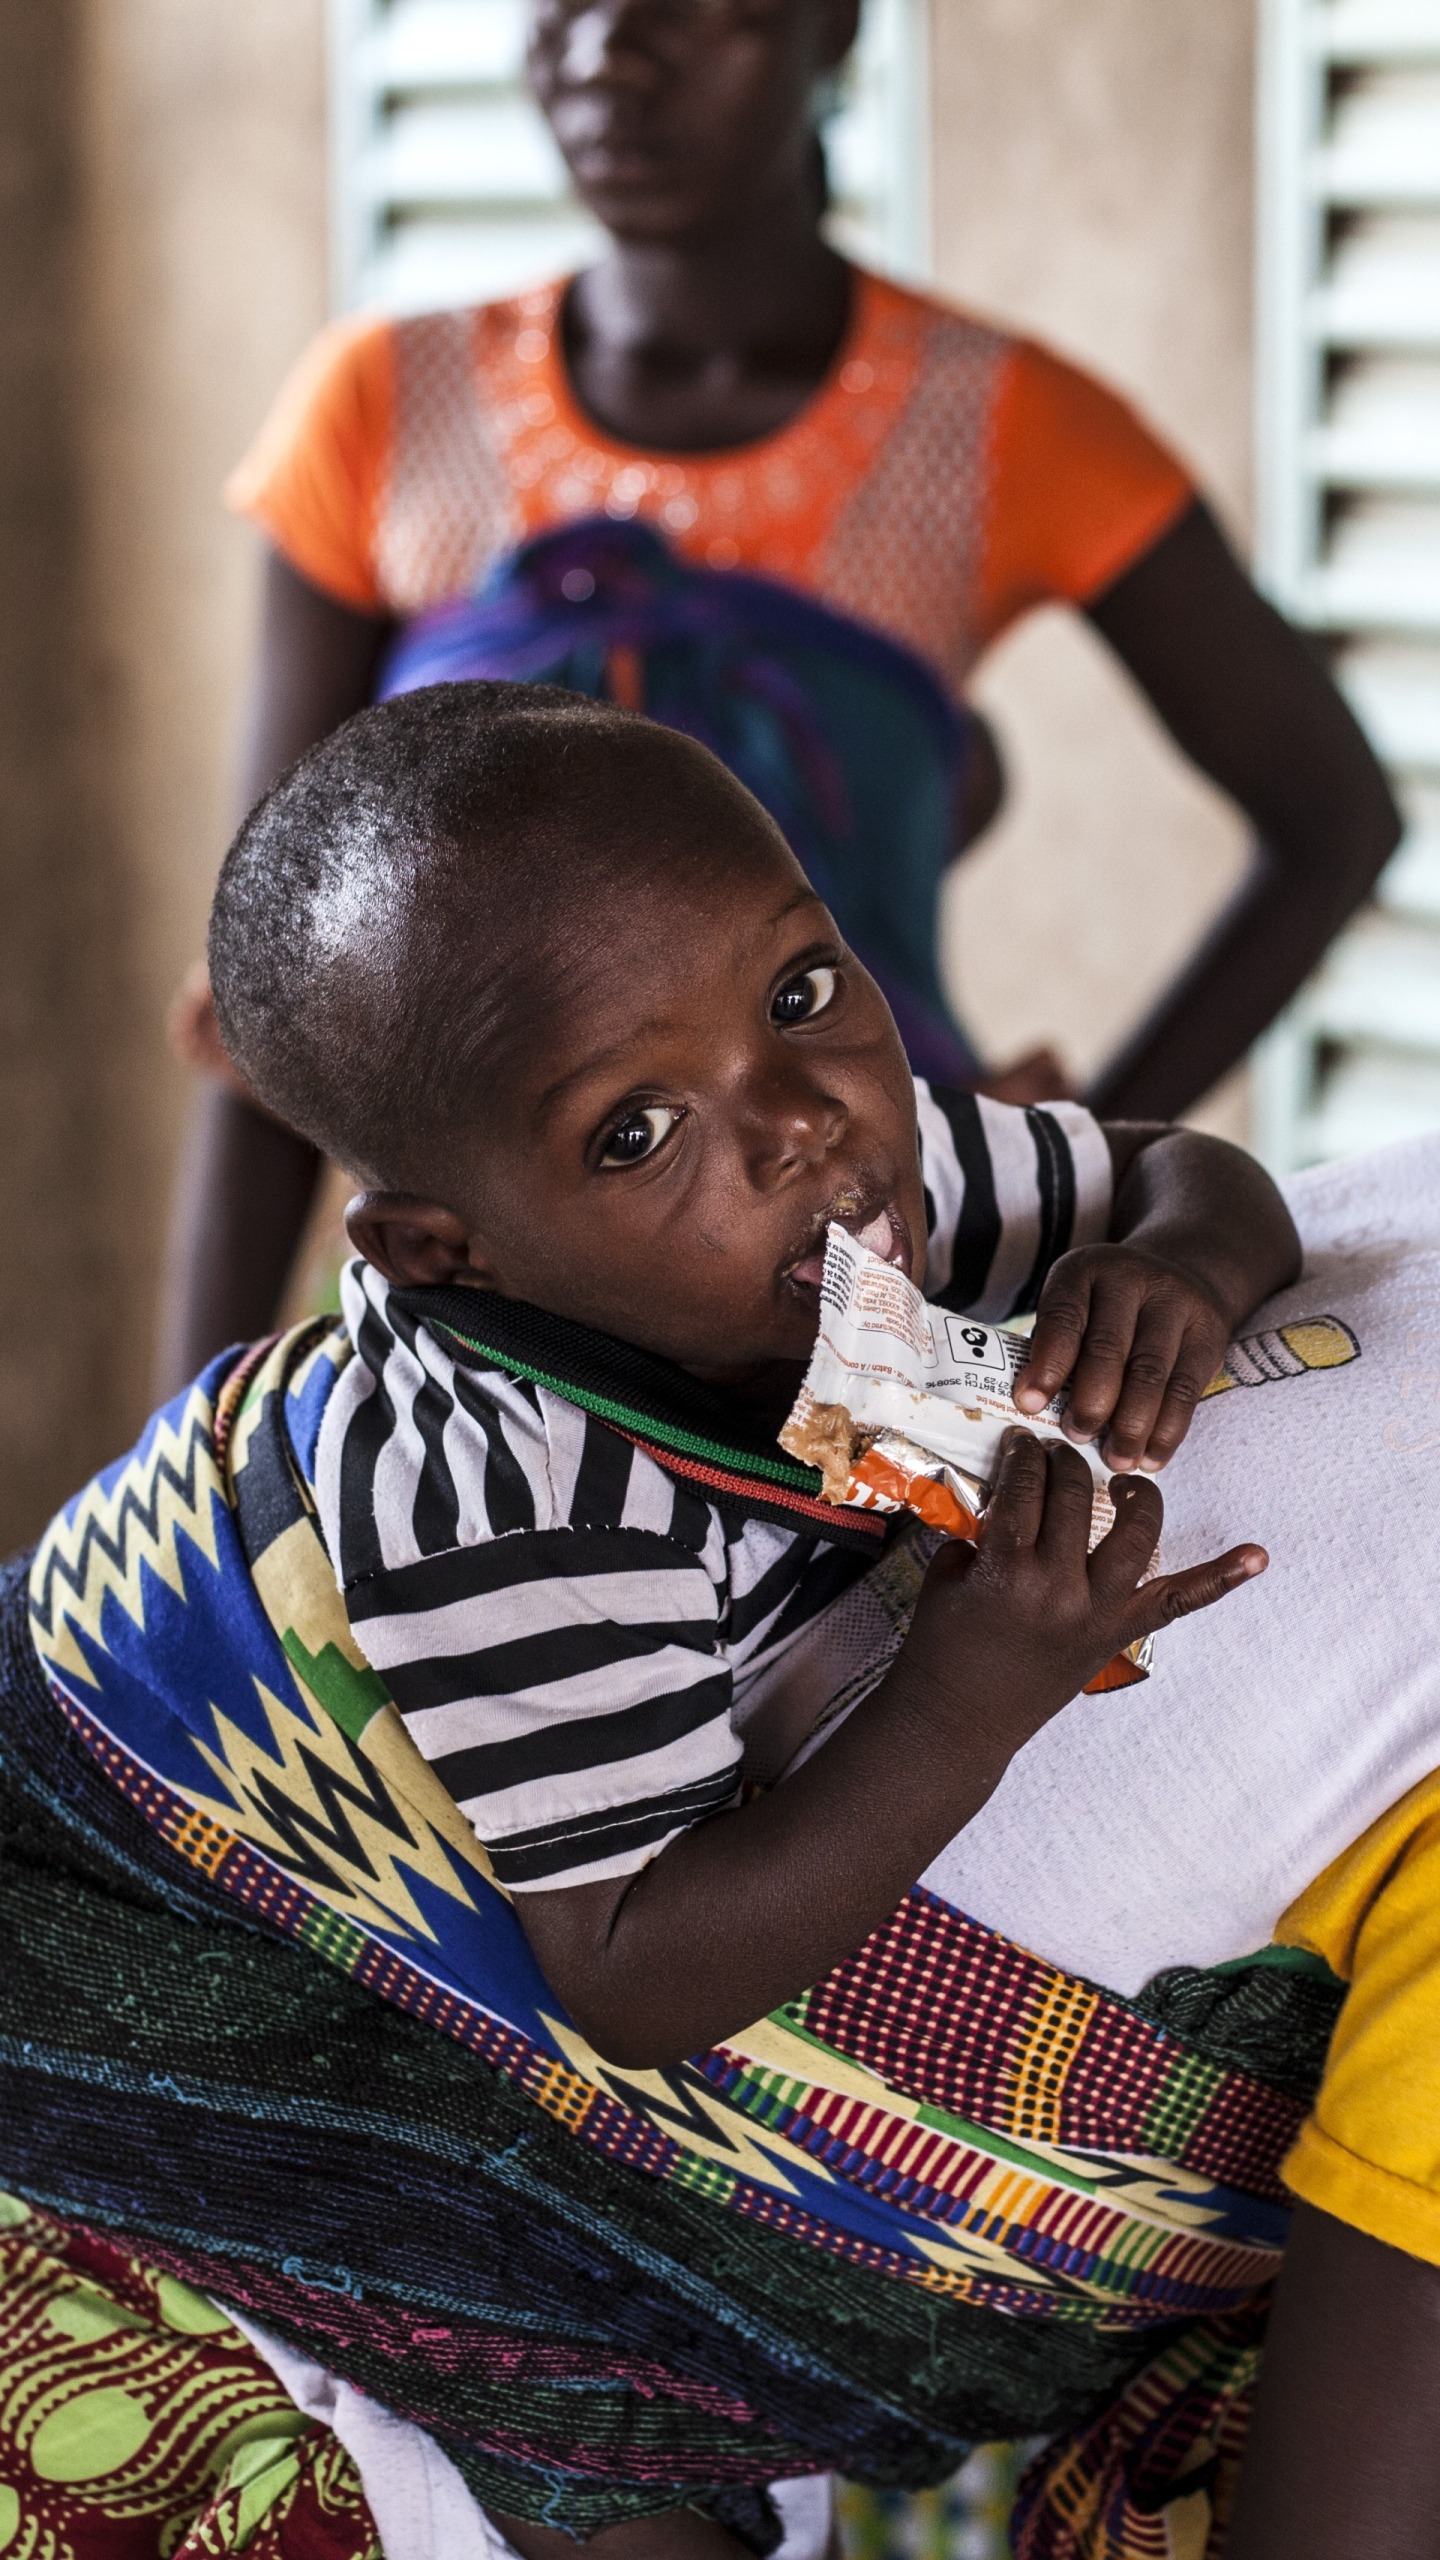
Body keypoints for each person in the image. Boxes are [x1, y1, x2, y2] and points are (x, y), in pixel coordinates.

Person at [12, 683, 1440, 2560]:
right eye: (635, 1132)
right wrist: (969, 1688)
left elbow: (1186, 1166)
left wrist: (1172, 1266)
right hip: (136, 1913)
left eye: (799, 992)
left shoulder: (865, 1168)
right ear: (451, 1251)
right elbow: (636, 1968)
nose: (797, 1128)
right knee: (584, 2409)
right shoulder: (513, 1501)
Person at [156, 0, 1398, 1394]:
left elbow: (1332, 819)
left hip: (868, 1287)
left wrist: (1080, 1163)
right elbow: (289, 1008)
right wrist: (191, 1431)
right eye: (562, 0)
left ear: (831, 30)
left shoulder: (994, 423)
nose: (610, 51)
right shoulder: (384, 409)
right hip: (518, 1329)